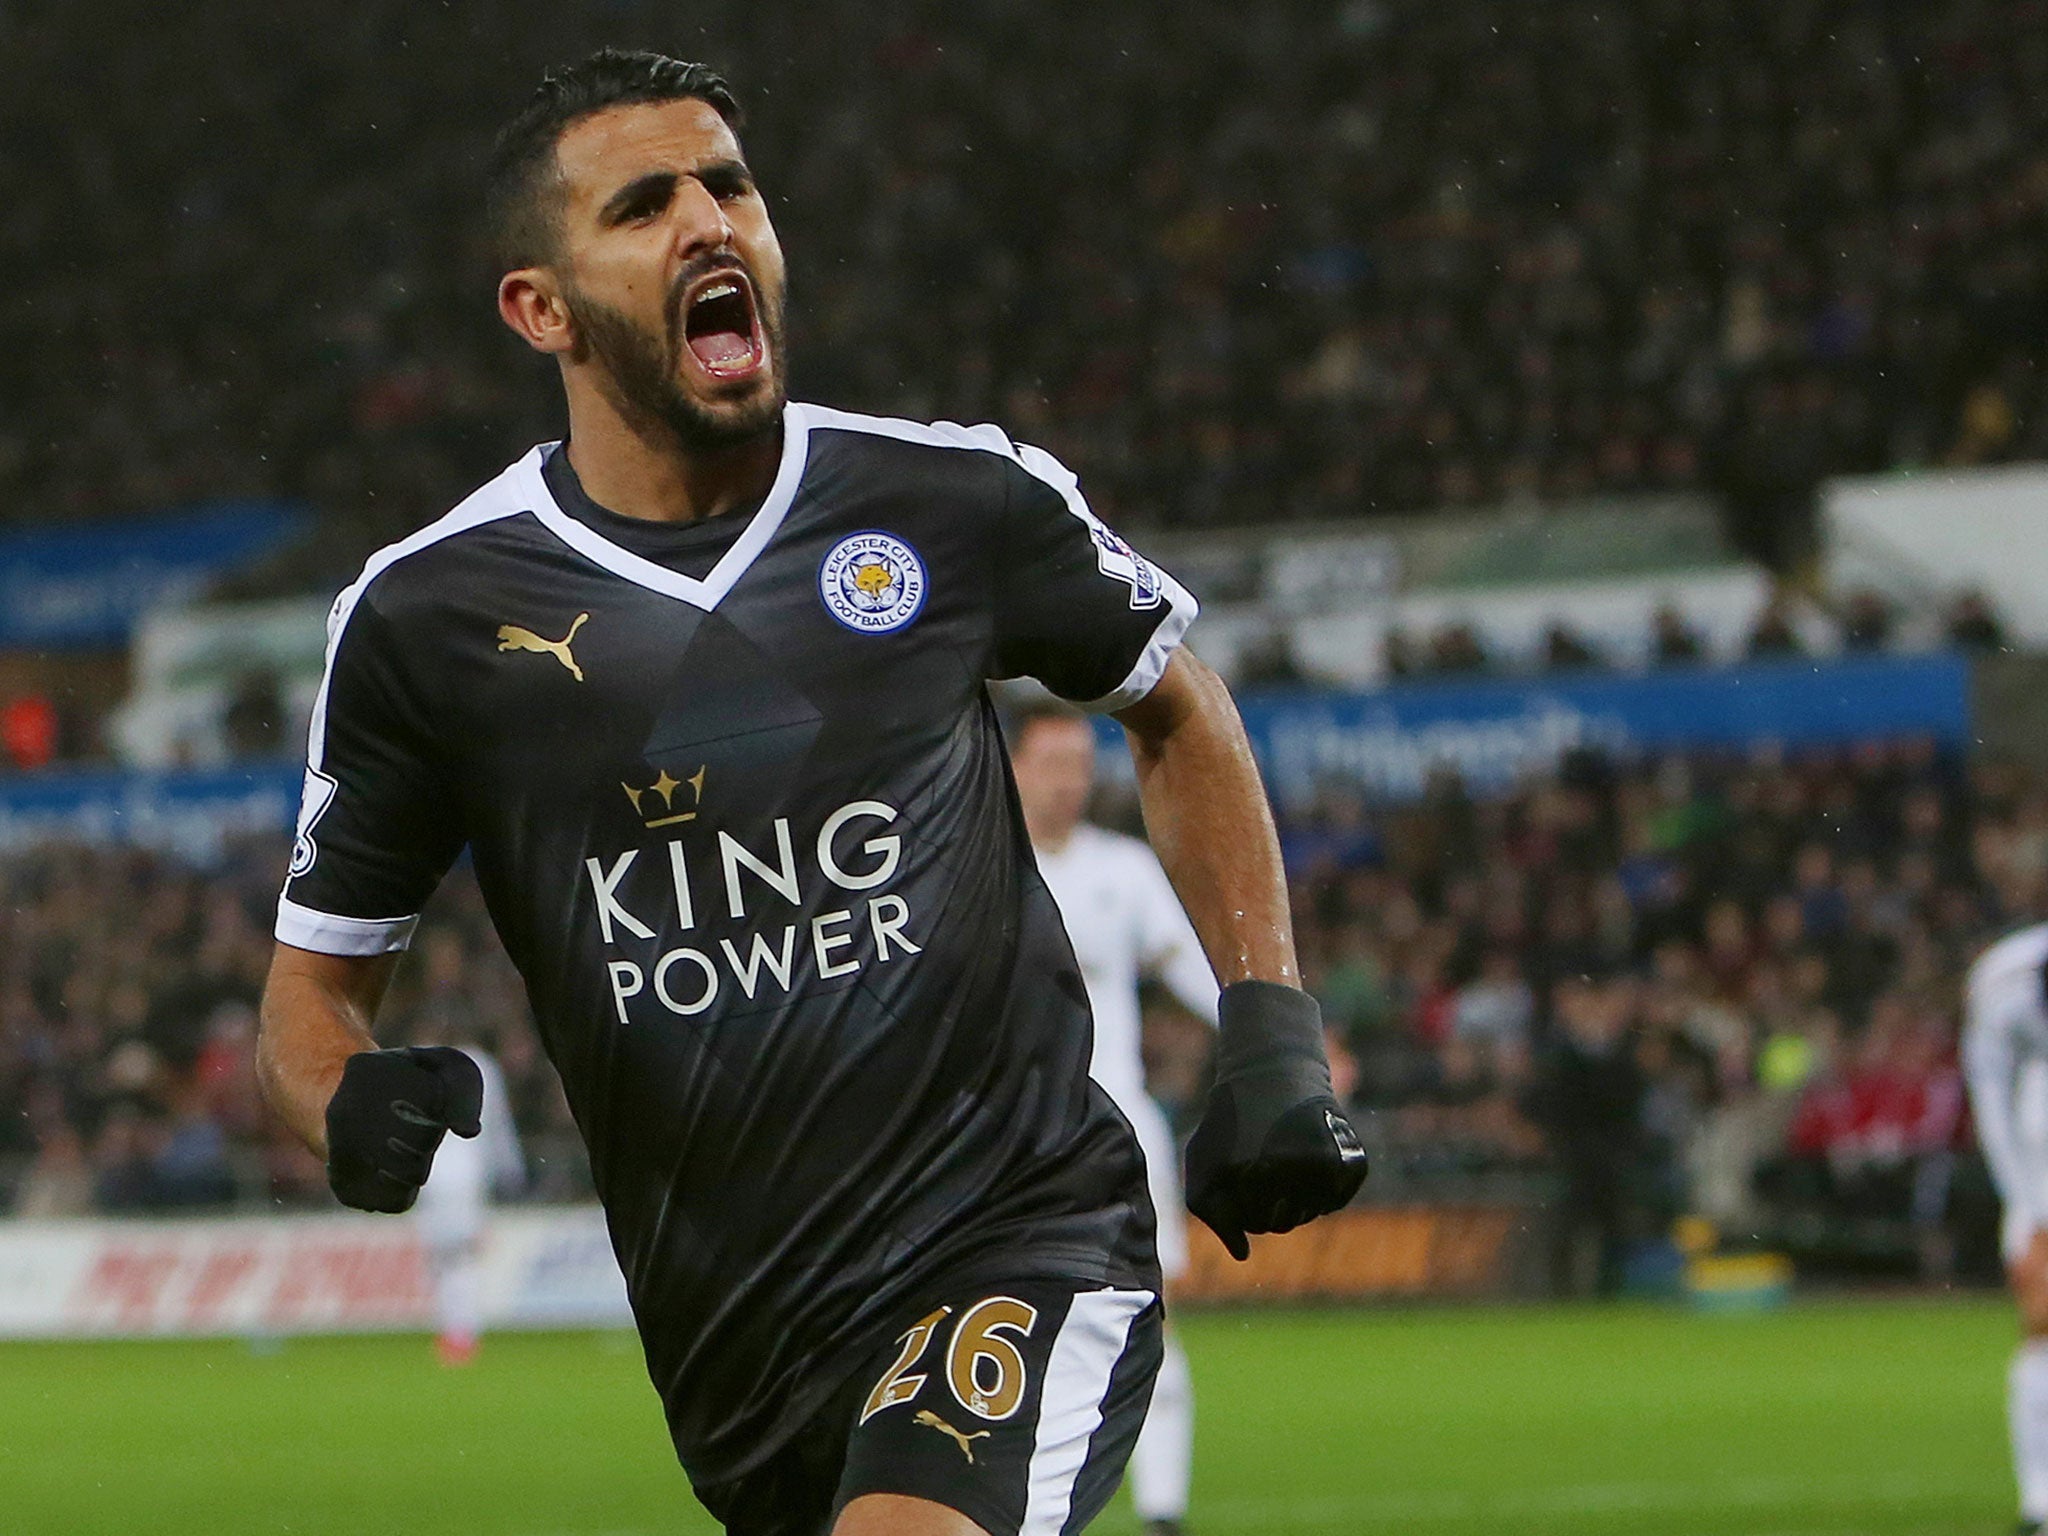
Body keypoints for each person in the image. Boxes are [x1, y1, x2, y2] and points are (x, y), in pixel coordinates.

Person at [254, 50, 1364, 1536]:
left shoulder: (951, 502)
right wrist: (343, 1101)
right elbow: (307, 1003)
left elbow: (1177, 709)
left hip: (1016, 1231)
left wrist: (1272, 1027)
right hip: (738, 1347)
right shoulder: (427, 622)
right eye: (646, 205)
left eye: (732, 185)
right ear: (543, 308)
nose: (712, 222)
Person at [1007, 700, 1219, 1536]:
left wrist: (1280, 1036)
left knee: (1148, 1321)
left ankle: (1162, 1515)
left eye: (1081, 767)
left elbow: (1192, 967)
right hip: (1007, 1140)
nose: (1070, 784)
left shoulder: (1123, 870)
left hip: (1121, 1136)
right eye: (1052, 765)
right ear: (1011, 766)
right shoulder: (977, 865)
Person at [1963, 923, 2048, 1536]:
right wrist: (2026, 1208)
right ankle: (2039, 1498)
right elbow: (1989, 1097)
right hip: (2040, 1182)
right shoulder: (2005, 985)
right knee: (2044, 1330)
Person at [412, 1040, 524, 1365]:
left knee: (450, 1258)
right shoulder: (481, 1065)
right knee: (457, 1257)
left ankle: (459, 1334)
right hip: (465, 1174)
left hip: (434, 1175)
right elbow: (497, 1123)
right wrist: (509, 1170)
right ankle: (459, 1331)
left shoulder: (424, 1061)